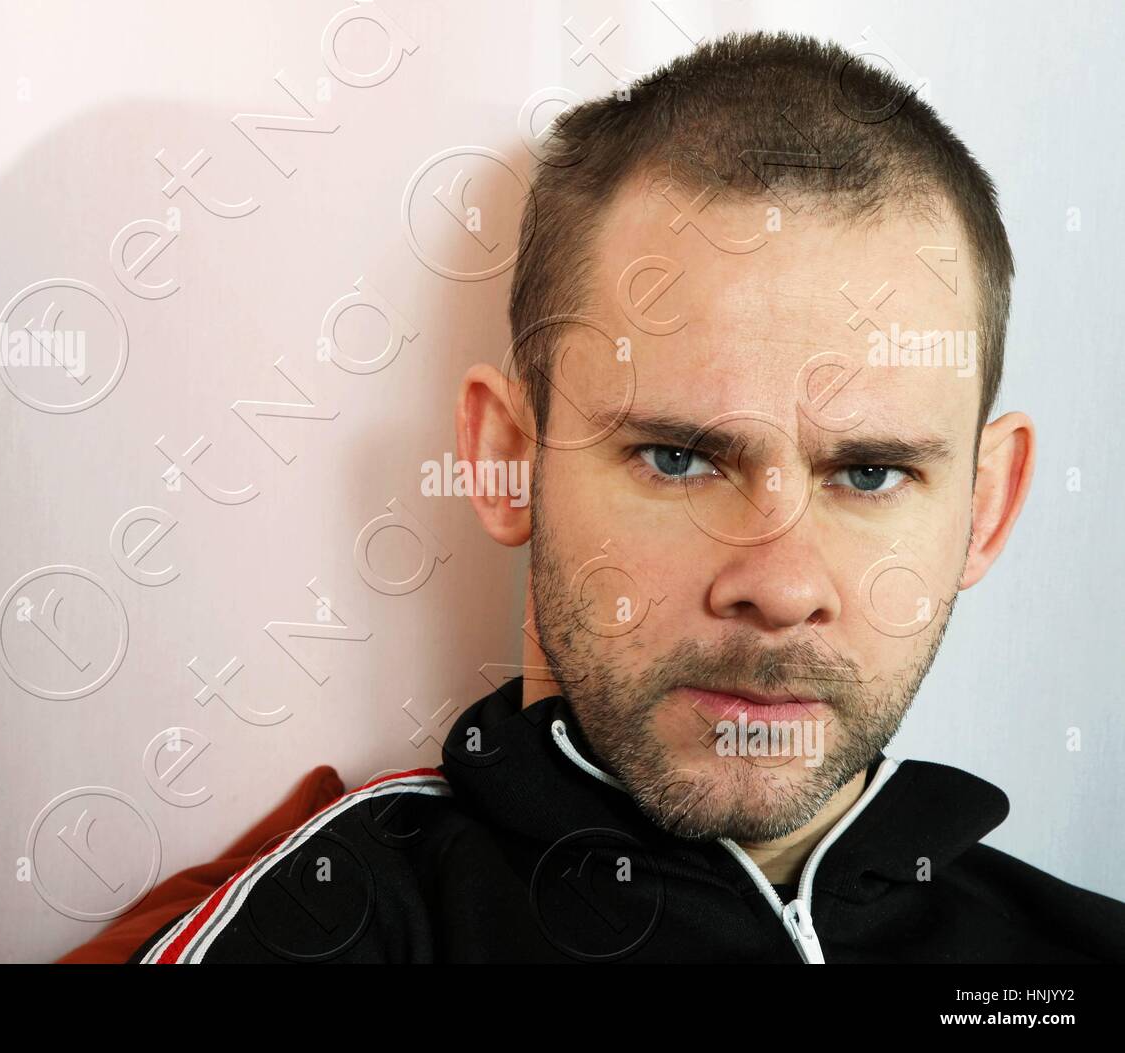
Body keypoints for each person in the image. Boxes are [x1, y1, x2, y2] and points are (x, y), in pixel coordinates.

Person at [129, 30, 1125, 963]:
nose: (779, 587)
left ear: (985, 509)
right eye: (679, 459)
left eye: (868, 473)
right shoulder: (333, 923)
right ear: (508, 458)